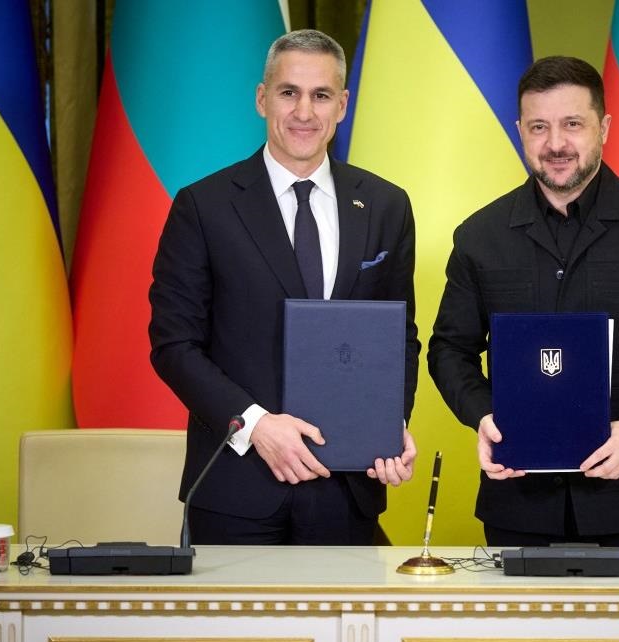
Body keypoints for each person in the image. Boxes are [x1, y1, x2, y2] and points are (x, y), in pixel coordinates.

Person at [427, 56, 619, 548]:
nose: (556, 144)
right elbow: (449, 350)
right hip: (518, 501)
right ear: (520, 131)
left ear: (603, 128)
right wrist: (484, 418)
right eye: (539, 127)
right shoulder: (479, 236)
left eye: (572, 124)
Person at [149, 30, 419, 545]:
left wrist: (389, 423)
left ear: (342, 105)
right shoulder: (203, 206)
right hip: (235, 489)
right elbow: (173, 345)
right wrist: (255, 426)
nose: (304, 112)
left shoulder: (387, 206)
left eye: (321, 95)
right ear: (262, 98)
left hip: (347, 487)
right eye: (288, 92)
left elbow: (398, 337)